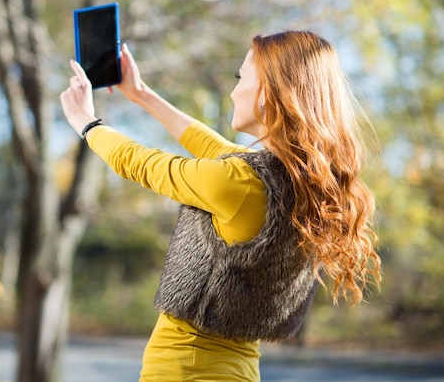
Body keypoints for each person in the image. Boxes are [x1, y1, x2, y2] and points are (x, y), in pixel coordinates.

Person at [60, 30, 382, 382]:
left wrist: (87, 124)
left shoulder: (240, 182)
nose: (233, 90)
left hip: (185, 370)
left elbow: (141, 163)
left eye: (240, 77)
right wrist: (140, 95)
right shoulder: (298, 183)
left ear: (269, 93)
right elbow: (210, 144)